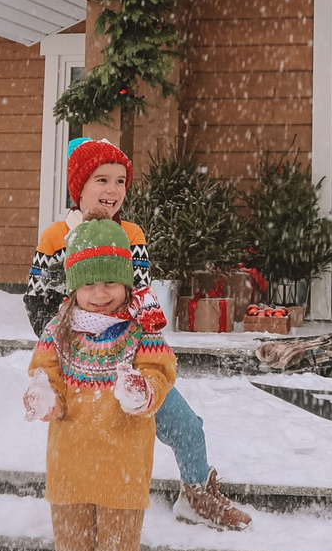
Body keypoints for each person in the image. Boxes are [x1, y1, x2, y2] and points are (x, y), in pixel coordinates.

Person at [26, 137, 252, 531]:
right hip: (79, 372)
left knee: (186, 426)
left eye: (120, 181)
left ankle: (197, 493)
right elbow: (39, 302)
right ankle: (88, 512)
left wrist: (140, 371)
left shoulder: (131, 235)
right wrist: (65, 346)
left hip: (129, 366)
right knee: (87, 446)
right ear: (78, 186)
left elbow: (140, 302)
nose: (112, 190)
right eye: (101, 180)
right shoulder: (54, 239)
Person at [24, 219, 175, 551]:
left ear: (126, 283)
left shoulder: (141, 334)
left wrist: (143, 392)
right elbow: (44, 373)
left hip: (121, 474)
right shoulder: (58, 330)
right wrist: (44, 395)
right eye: (89, 282)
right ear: (74, 285)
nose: (100, 292)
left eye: (110, 281)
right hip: (68, 470)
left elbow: (160, 373)